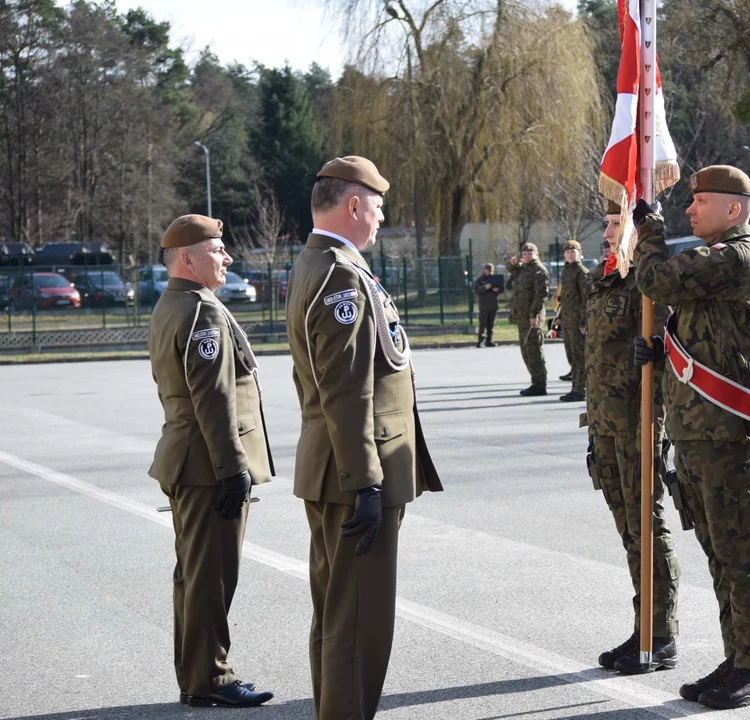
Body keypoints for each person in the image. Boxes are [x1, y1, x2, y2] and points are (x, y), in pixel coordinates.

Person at [286, 156, 443, 720]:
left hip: (339, 468)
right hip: (355, 472)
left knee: (338, 616)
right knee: (359, 623)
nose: (380, 217)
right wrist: (367, 482)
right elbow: (345, 389)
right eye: (377, 206)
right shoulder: (340, 276)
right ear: (354, 205)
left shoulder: (322, 263)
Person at [634, 166, 750, 710]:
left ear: (734, 210)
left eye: (701, 202)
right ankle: (737, 656)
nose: (690, 211)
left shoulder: (736, 256)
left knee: (740, 553)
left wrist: (647, 233)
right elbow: (689, 322)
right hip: (698, 430)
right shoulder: (715, 259)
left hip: (724, 431)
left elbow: (658, 282)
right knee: (720, 552)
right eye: (689, 202)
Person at [148, 214, 275, 709]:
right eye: (217, 249)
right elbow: (214, 399)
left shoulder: (173, 304)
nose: (226, 258)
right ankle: (210, 679)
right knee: (211, 577)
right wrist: (233, 469)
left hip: (189, 461)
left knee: (197, 574)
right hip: (207, 467)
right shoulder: (200, 311)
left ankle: (197, 676)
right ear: (187, 258)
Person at [586, 200, 682, 677]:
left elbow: (675, 347)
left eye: (618, 222)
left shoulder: (648, 283)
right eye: (606, 223)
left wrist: (659, 352)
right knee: (629, 529)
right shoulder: (605, 279)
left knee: (648, 525)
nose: (608, 231)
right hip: (606, 424)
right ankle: (642, 623)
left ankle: (659, 633)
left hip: (640, 420)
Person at [507, 242, 550, 396]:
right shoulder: (524, 268)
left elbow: (541, 295)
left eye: (530, 254)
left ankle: (540, 384)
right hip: (522, 317)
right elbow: (511, 270)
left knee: (534, 351)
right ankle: (535, 382)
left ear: (536, 254)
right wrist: (513, 262)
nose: (527, 256)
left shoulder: (538, 270)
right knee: (526, 351)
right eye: (524, 254)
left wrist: (534, 314)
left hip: (532, 317)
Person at [558, 240, 591, 402]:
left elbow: (586, 299)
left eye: (573, 252)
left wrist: (584, 322)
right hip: (568, 320)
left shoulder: (581, 271)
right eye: (567, 252)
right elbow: (565, 298)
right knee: (572, 356)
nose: (570, 254)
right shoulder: (566, 270)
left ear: (579, 253)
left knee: (579, 357)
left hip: (578, 322)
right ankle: (575, 387)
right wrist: (560, 317)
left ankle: (580, 389)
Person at [473, 263, 502, 348]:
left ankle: (489, 340)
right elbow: (477, 290)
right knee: (483, 324)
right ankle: (480, 341)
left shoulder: (495, 279)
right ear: (484, 270)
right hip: (484, 305)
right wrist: (485, 287)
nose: (489, 272)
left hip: (493, 304)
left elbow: (502, 288)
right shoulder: (480, 280)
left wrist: (497, 289)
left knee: (491, 324)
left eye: (491, 271)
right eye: (488, 270)